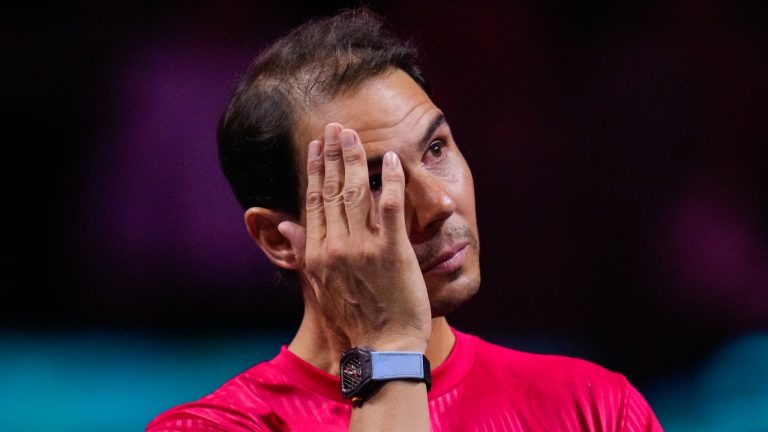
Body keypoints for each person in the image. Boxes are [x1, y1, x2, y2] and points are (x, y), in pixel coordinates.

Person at [147, 8, 662, 432]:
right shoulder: (214, 427)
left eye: (436, 149)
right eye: (372, 181)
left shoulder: (595, 410)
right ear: (279, 238)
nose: (437, 203)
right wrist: (389, 349)